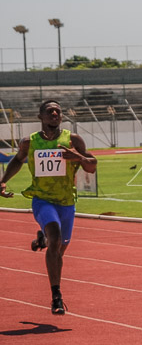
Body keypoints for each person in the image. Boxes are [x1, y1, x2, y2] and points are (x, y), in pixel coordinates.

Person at [0, 100, 97, 315]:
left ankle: (42, 239)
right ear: (40, 117)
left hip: (66, 202)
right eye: (49, 111)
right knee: (55, 237)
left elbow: (92, 166)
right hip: (42, 199)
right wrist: (3, 180)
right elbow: (17, 160)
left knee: (59, 250)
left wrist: (78, 157)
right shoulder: (30, 142)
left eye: (58, 111)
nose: (55, 113)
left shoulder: (72, 140)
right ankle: (57, 297)